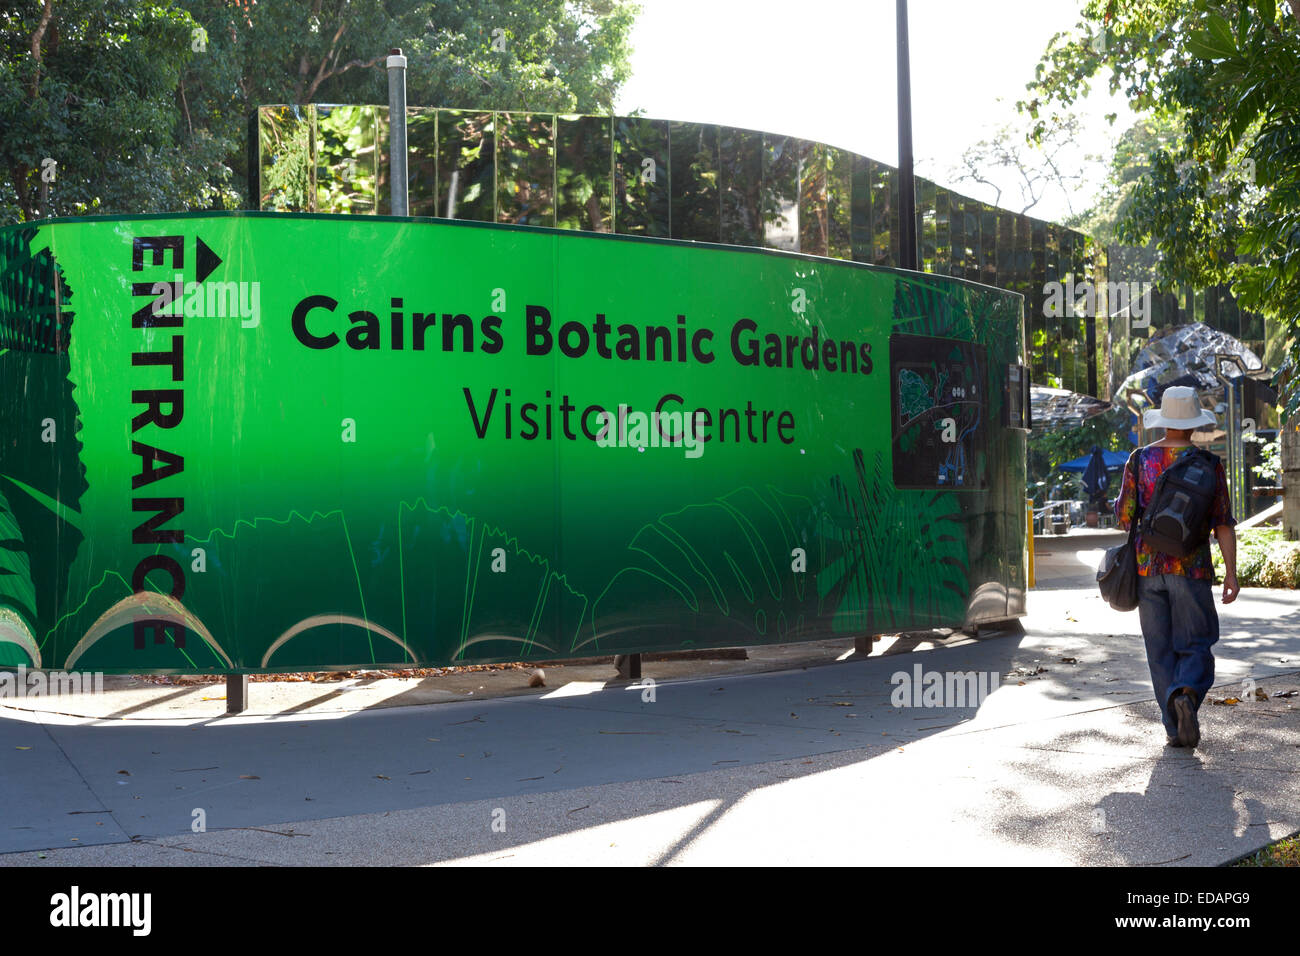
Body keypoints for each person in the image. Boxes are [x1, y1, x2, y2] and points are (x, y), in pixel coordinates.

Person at [1114, 386, 1238, 749]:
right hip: (1193, 568)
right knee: (1196, 642)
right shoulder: (1210, 465)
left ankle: (1173, 726)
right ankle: (1187, 693)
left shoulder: (1140, 460)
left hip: (1147, 568)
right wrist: (1231, 573)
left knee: (1159, 649)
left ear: (1163, 421)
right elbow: (1223, 523)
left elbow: (1124, 517)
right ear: (1195, 424)